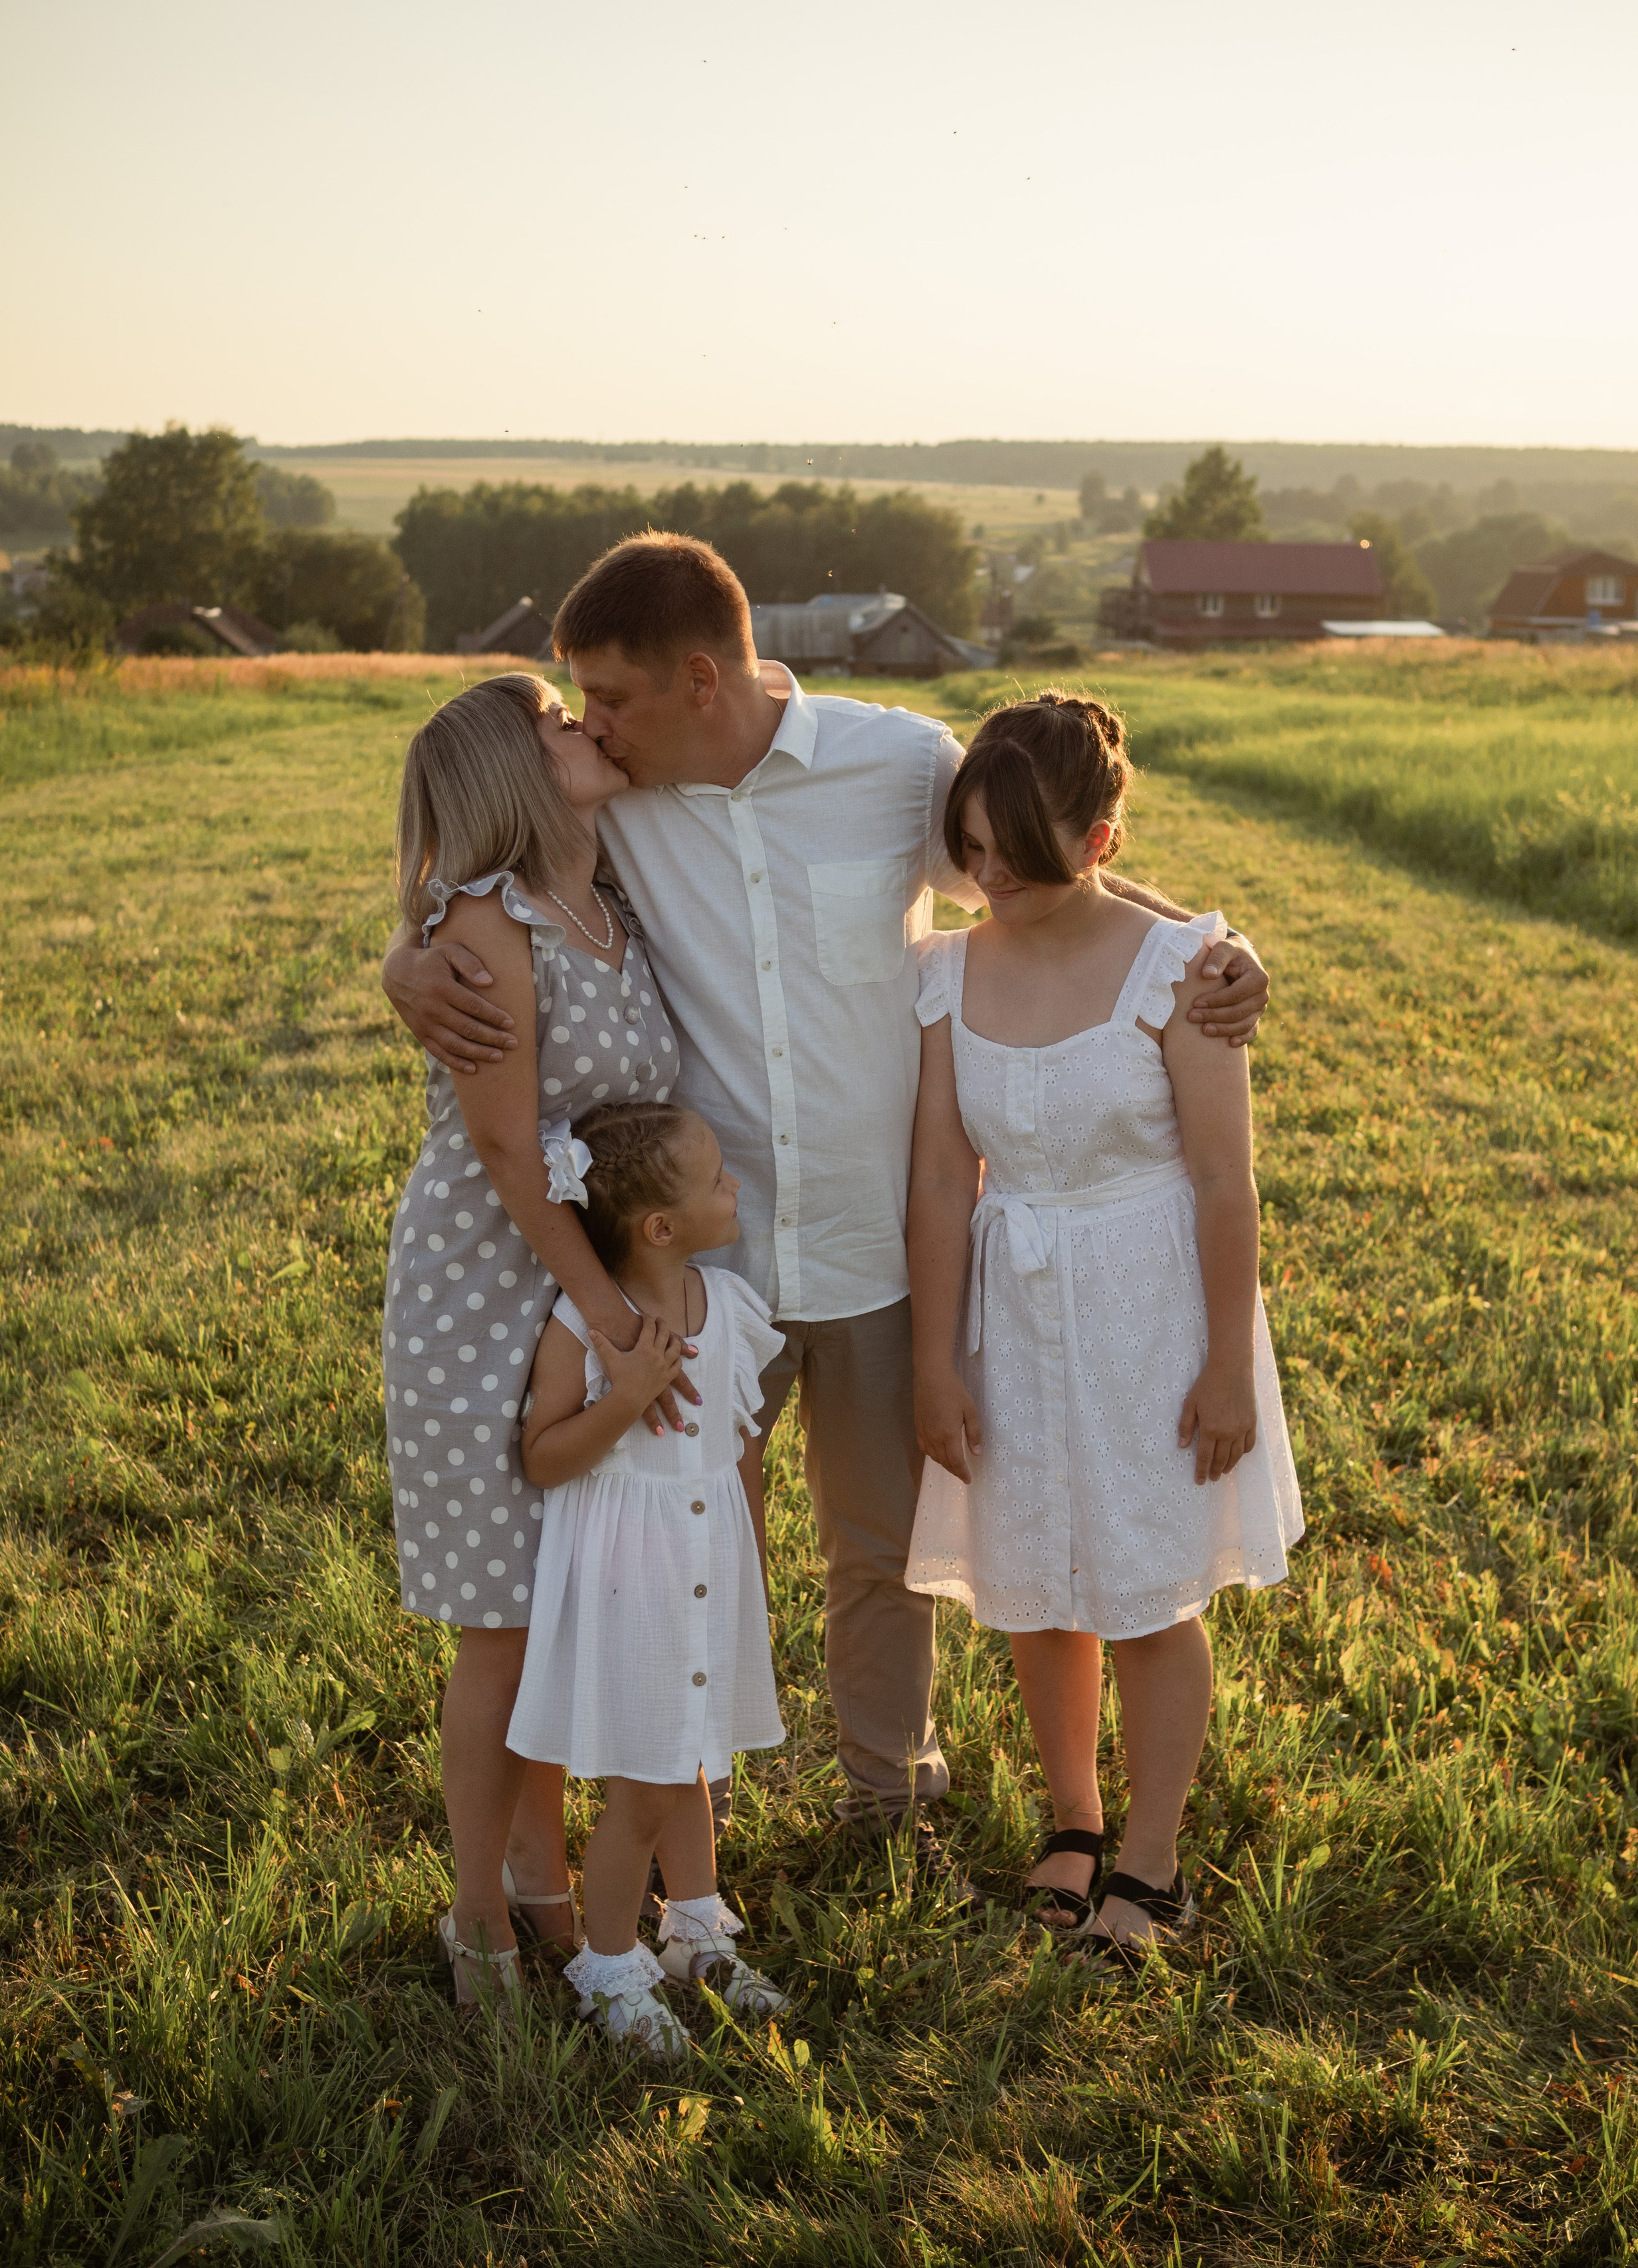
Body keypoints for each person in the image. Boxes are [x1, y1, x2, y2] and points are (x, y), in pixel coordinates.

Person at [381, 534, 1272, 1894]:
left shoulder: (898, 765)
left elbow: (1048, 869)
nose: (590, 725)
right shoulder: (613, 798)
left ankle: (884, 1790)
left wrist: (1217, 941)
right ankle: (688, 1822)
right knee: (692, 1533)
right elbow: (482, 868)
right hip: (698, 1250)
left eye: (609, 698)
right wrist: (402, 961)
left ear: (697, 677)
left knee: (877, 1542)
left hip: (876, 1231)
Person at [904, 693, 1303, 1957]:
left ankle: (1151, 1856)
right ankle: (1072, 1818)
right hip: (1010, 1306)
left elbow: (1227, 1177)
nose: (989, 876)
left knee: (1142, 1588)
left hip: (1152, 1305)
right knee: (1037, 1588)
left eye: (1019, 849)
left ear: (1102, 839)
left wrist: (1229, 1362)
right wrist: (932, 1360)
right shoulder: (948, 970)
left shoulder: (1185, 966)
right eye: (970, 847)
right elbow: (936, 1180)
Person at [383, 671, 694, 2012]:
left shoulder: (614, 894)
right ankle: (480, 1923)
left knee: (572, 1599)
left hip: (588, 1281)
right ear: (511, 768)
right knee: (504, 1624)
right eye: (559, 718)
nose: (587, 725)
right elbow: (511, 1150)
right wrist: (615, 1314)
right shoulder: (482, 927)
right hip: (485, 1288)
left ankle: (547, 1887)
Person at [509, 1098, 790, 2057]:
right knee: (644, 1784)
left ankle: (697, 1929)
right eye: (717, 1179)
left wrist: (752, 1553)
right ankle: (610, 1964)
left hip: (711, 1563)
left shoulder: (728, 1306)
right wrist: (625, 1398)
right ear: (659, 1228)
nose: (734, 1184)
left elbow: (742, 1444)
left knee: (695, 1758)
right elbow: (543, 1456)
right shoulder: (585, 1328)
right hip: (633, 1577)